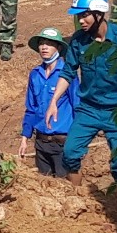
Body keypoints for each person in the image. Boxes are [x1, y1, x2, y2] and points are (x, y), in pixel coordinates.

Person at [61, 0, 117, 189]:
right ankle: (76, 197)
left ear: (98, 14)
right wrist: (53, 103)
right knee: (70, 154)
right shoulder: (78, 41)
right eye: (78, 16)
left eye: (84, 15)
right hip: (89, 109)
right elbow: (68, 72)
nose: (80, 21)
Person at [21, 27, 76, 177]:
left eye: (49, 43)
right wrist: (25, 138)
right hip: (41, 142)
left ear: (58, 47)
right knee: (45, 188)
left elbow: (77, 105)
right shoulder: (35, 74)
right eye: (42, 43)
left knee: (65, 186)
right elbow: (31, 108)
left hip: (62, 142)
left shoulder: (67, 73)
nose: (44, 47)